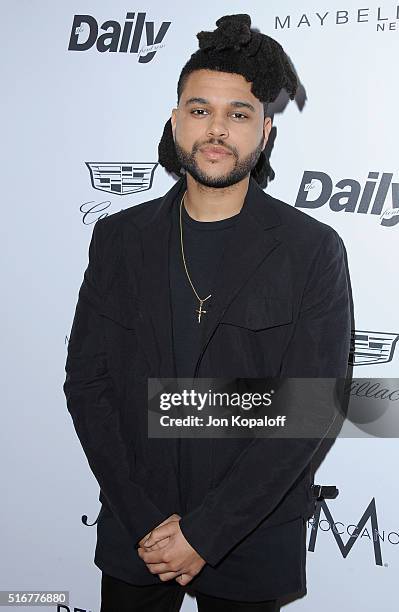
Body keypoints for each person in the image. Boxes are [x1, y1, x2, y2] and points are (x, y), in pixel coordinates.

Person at [63, 13, 352, 612]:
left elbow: (311, 404)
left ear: (265, 132)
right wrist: (146, 521)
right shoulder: (119, 239)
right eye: (200, 110)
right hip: (135, 536)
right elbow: (88, 385)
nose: (217, 129)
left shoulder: (311, 249)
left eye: (238, 114)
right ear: (174, 122)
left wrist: (207, 533)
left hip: (250, 538)